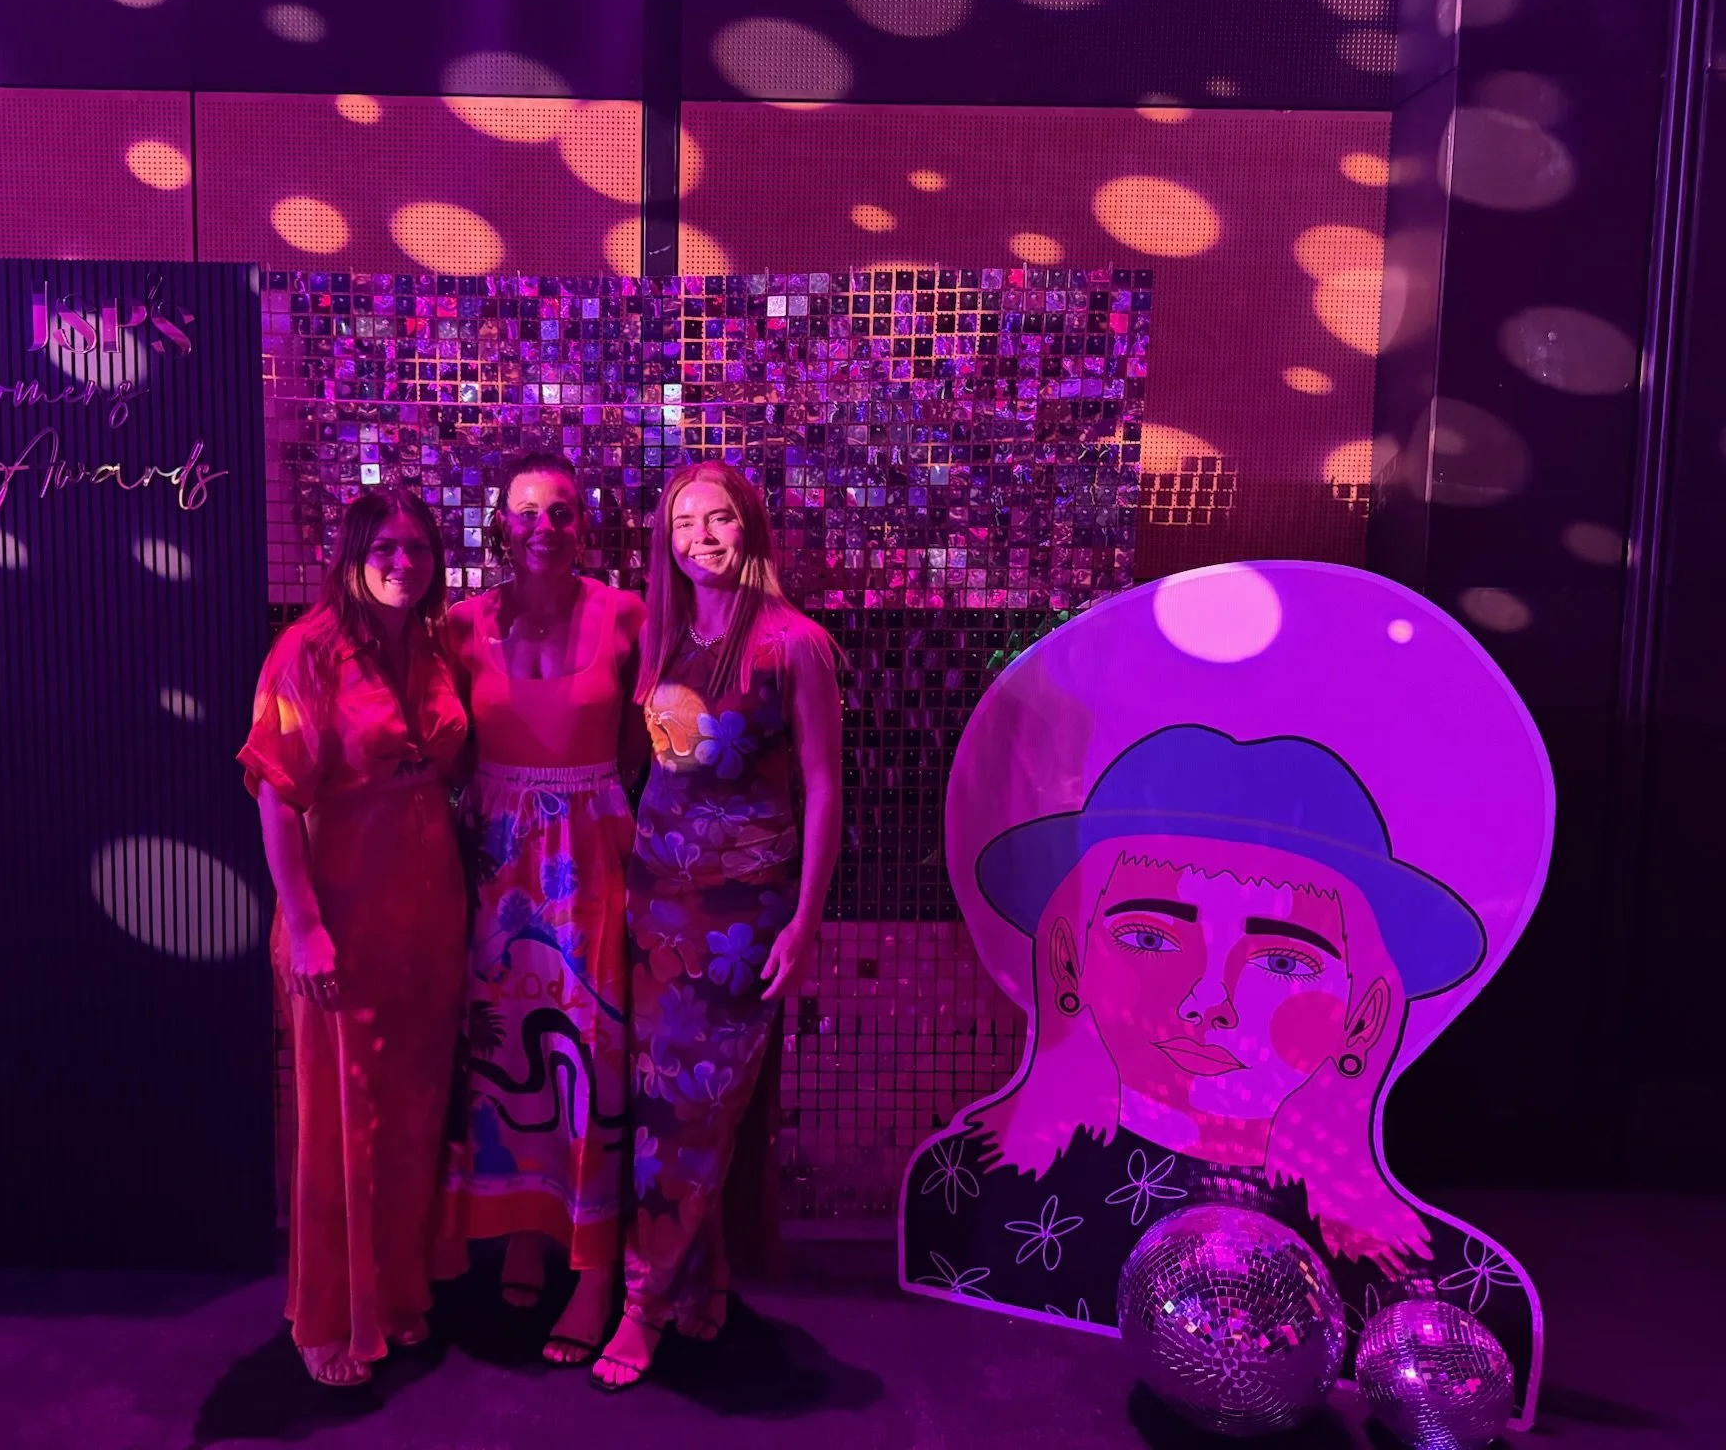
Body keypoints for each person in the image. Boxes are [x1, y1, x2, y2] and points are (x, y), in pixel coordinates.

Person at [900, 725, 1536, 1400]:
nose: (1208, 1000)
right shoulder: (966, 1194)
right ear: (1067, 959)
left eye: (1281, 962)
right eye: (1150, 938)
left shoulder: (1437, 1294)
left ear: (1364, 1014)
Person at [591, 460, 844, 1392]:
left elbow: (824, 789)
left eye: (720, 519)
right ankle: (703, 1281)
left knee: (693, 1110)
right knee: (659, 1102)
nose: (702, 537)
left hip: (742, 916)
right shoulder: (662, 637)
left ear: (751, 528)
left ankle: (643, 1305)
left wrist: (804, 922)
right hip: (655, 903)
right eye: (684, 523)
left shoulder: (793, 646)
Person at [238, 489, 467, 1388]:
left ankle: (399, 1293)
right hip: (341, 908)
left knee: (413, 1111)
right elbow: (275, 794)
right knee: (342, 1120)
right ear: (352, 556)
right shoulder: (309, 651)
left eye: (418, 548)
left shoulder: (435, 643)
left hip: (430, 910)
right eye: (384, 548)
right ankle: (331, 1314)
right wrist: (304, 926)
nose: (403, 562)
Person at [437, 451, 648, 1367]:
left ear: (582, 525)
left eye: (560, 511)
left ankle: (595, 1265)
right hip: (494, 857)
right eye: (526, 511)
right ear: (500, 523)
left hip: (590, 850)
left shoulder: (626, 613)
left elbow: (645, 740)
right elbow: (444, 743)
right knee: (502, 1048)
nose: (543, 527)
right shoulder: (460, 625)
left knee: (591, 1048)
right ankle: (526, 1226)